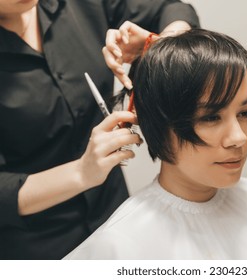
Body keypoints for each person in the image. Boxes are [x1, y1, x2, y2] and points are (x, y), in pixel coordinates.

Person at [64, 29, 247, 259]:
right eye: (211, 117)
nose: (239, 138)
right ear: (156, 121)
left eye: (244, 112)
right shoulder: (121, 246)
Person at [0, 0, 199, 260]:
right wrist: (81, 173)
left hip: (115, 216)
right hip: (39, 247)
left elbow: (172, 9)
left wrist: (162, 43)